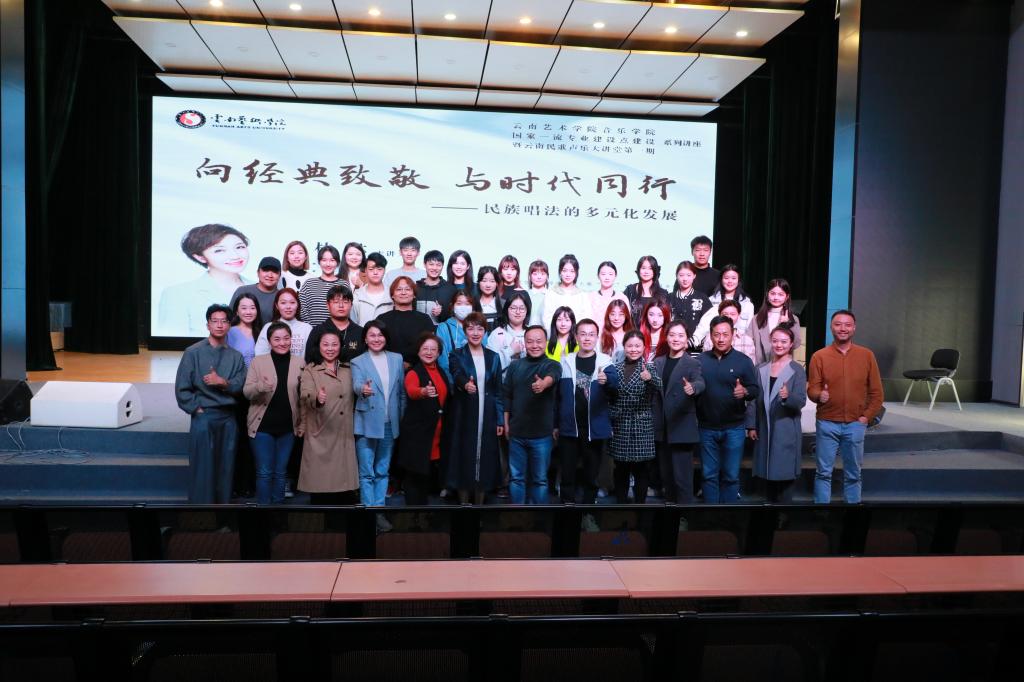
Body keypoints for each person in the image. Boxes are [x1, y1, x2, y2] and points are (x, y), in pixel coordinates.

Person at [807, 310, 884, 504]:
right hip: (827, 423)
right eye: (838, 324)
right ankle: (821, 514)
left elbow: (877, 393)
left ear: (854, 328)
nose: (843, 328)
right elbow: (812, 389)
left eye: (847, 325)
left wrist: (865, 418)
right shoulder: (819, 356)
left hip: (855, 424)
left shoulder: (866, 355)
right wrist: (818, 395)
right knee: (823, 473)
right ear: (831, 327)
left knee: (853, 474)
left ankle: (852, 514)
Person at [174, 304, 247, 503]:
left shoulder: (236, 356)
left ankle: (222, 513)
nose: (219, 325)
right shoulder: (193, 352)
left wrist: (223, 382)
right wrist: (196, 408)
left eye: (224, 321)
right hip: (204, 416)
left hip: (228, 418)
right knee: (202, 468)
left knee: (226, 468)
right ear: (208, 325)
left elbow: (241, 386)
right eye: (215, 321)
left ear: (229, 325)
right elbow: (182, 388)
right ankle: (200, 514)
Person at [696, 315, 759, 503]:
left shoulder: (743, 361)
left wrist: (745, 391)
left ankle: (728, 515)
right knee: (708, 475)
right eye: (717, 334)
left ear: (733, 334)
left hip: (734, 428)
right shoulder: (700, 361)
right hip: (706, 428)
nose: (721, 339)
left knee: (731, 476)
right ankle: (710, 516)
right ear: (710, 336)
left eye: (725, 334)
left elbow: (755, 389)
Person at [555, 318, 619, 504]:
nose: (587, 338)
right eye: (583, 334)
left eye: (591, 334)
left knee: (591, 475)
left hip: (594, 429)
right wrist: (555, 424)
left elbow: (615, 388)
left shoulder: (605, 362)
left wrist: (606, 381)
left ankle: (589, 511)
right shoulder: (565, 361)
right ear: (576, 336)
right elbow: (557, 398)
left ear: (597, 337)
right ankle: (567, 509)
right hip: (569, 428)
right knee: (567, 474)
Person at [447, 312, 505, 504]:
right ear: (465, 331)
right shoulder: (456, 354)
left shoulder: (493, 357)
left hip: (487, 414)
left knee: (484, 456)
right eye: (470, 328)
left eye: (480, 328)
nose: (475, 332)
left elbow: (498, 391)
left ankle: (479, 507)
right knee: (465, 456)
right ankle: (464, 507)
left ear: (485, 332)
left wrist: (499, 419)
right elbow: (456, 373)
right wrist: (465, 384)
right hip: (465, 413)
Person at [243, 321, 303, 505]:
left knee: (281, 472)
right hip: (262, 427)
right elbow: (247, 392)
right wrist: (261, 386)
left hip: (288, 427)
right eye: (277, 339)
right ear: (269, 342)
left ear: (291, 340)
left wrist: (302, 423)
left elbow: (303, 397)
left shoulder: (300, 362)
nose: (282, 343)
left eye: (286, 338)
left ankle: (278, 512)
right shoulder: (258, 362)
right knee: (264, 472)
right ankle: (263, 513)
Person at [746, 326, 808, 503]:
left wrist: (788, 397)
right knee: (766, 472)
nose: (779, 345)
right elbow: (753, 399)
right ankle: (770, 513)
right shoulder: (761, 368)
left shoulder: (797, 370)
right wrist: (751, 425)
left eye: (783, 341)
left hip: (785, 427)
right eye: (775, 341)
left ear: (791, 344)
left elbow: (801, 401)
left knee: (784, 473)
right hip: (764, 427)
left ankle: (784, 514)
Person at [351, 321, 406, 513]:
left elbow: (401, 393)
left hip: (390, 423)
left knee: (383, 471)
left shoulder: (397, 359)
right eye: (372, 335)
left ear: (386, 338)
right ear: (365, 339)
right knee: (367, 473)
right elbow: (357, 384)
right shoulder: (358, 361)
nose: (376, 339)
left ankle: (379, 511)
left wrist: (401, 418)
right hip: (367, 422)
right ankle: (368, 514)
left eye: (380, 335)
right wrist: (363, 390)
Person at [298, 330, 359, 505]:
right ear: (318, 347)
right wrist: (317, 398)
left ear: (341, 346)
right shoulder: (311, 369)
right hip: (321, 430)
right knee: (321, 486)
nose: (330, 348)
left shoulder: (349, 368)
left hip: (344, 432)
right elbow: (305, 394)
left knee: (344, 487)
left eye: (334, 344)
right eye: (325, 344)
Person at [503, 325, 561, 504]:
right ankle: (518, 517)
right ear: (524, 343)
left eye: (539, 341)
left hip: (542, 435)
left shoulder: (552, 364)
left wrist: (543, 384)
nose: (535, 345)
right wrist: (506, 424)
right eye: (530, 341)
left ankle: (539, 518)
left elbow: (553, 376)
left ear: (546, 343)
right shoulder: (515, 366)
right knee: (516, 479)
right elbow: (507, 396)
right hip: (517, 433)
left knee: (540, 480)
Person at [158, 224, 251, 336]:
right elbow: (171, 340)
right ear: (200, 257)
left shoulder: (259, 288)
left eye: (239, 247)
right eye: (219, 250)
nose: (235, 256)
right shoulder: (177, 294)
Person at [652, 321, 704, 503]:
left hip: (681, 426)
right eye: (672, 335)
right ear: (666, 338)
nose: (676, 339)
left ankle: (684, 515)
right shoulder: (658, 362)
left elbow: (700, 382)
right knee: (666, 478)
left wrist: (693, 388)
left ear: (687, 339)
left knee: (682, 479)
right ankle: (670, 515)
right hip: (662, 427)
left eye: (681, 335)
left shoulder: (693, 363)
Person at [608, 331, 662, 503]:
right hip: (620, 424)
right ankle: (621, 506)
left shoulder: (649, 367)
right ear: (624, 347)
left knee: (641, 470)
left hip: (641, 425)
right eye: (630, 346)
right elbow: (609, 395)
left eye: (637, 346)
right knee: (621, 469)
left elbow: (661, 386)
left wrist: (650, 378)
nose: (633, 349)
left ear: (644, 347)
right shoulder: (615, 368)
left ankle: (640, 507)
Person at [398, 333, 450, 505]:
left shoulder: (440, 371)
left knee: (427, 478)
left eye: (433, 349)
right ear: (418, 351)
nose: (429, 352)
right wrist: (423, 392)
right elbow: (412, 390)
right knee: (415, 478)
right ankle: (414, 515)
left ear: (439, 353)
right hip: (417, 435)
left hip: (435, 434)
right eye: (425, 348)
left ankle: (425, 514)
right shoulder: (413, 372)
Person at [378, 277, 435, 368]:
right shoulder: (382, 319)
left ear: (414, 294)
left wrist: (411, 365)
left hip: (419, 369)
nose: (403, 292)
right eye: (399, 289)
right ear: (392, 295)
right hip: (387, 368)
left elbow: (430, 348)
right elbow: (377, 345)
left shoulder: (424, 319)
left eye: (407, 289)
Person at [305, 284, 366, 366]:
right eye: (336, 302)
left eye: (345, 302)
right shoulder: (318, 331)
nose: (341, 305)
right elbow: (309, 360)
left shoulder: (360, 332)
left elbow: (365, 362)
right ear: (328, 305)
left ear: (351, 305)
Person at [748, 278, 802, 365]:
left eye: (780, 294)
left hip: (783, 366)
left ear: (787, 297)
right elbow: (749, 343)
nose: (776, 297)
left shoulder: (793, 318)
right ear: (767, 294)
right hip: (760, 366)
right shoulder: (756, 318)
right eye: (772, 293)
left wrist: (787, 325)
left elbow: (796, 344)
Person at [253, 288, 312, 358]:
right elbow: (260, 354)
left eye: (292, 302)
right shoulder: (268, 327)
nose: (288, 307)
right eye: (283, 303)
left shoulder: (306, 328)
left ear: (298, 305)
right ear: (277, 306)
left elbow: (311, 356)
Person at [299, 245, 349, 326]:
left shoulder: (344, 284)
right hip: (311, 331)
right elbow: (302, 310)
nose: (328, 264)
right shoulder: (309, 284)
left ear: (337, 263)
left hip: (337, 332)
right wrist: (310, 330)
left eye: (332, 260)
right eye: (324, 260)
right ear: (319, 262)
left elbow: (347, 310)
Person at [436, 291, 481, 379]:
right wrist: (451, 382)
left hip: (478, 378)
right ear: (453, 306)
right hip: (453, 379)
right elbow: (443, 360)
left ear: (472, 307)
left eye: (467, 304)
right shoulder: (444, 328)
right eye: (459, 304)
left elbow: (485, 354)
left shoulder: (480, 327)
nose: (463, 307)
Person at [668, 261, 713, 350]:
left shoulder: (702, 298)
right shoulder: (669, 298)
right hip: (671, 347)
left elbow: (706, 324)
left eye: (689, 275)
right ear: (676, 276)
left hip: (695, 349)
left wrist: (691, 342)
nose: (685, 279)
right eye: (681, 275)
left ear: (694, 276)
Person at [543, 254, 592, 328]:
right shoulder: (551, 293)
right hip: (555, 334)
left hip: (576, 334)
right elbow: (547, 319)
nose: (568, 274)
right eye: (564, 271)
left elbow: (586, 319)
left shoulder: (582, 295)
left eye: (572, 271)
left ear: (576, 273)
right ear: (560, 272)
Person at [487, 291, 531, 372]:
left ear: (526, 311)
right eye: (513, 308)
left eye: (522, 308)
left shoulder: (532, 333)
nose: (518, 312)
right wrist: (510, 350)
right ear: (506, 310)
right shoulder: (496, 334)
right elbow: (489, 366)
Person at [707, 264, 755, 336]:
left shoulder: (747, 304)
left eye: (733, 278)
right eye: (726, 278)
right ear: (721, 279)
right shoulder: (711, 301)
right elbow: (706, 327)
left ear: (738, 280)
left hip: (740, 341)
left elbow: (750, 331)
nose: (730, 281)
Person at [623, 255, 669, 327]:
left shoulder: (663, 294)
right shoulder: (630, 291)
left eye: (650, 268)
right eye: (643, 268)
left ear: (655, 271)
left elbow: (666, 318)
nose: (646, 272)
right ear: (638, 270)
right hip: (632, 332)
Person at [415, 249, 456, 325]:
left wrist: (442, 312)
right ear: (424, 264)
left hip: (440, 331)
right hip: (417, 330)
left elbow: (454, 317)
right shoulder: (416, 288)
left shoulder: (450, 289)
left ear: (442, 266)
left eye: (438, 265)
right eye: (431, 264)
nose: (434, 268)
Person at [352, 252, 394, 324]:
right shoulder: (357, 295)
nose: (375, 272)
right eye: (371, 269)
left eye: (379, 269)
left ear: (384, 270)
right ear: (365, 271)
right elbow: (353, 323)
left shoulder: (392, 294)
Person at [588, 261, 630, 331]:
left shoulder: (622, 298)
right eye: (603, 274)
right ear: (598, 276)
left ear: (615, 276)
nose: (607, 278)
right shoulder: (591, 297)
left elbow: (626, 321)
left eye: (610, 274)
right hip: (595, 336)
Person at [227, 293, 263, 368]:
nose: (248, 312)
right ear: (237, 311)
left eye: (252, 308)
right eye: (244, 308)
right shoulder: (229, 332)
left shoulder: (262, 332)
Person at [476, 266, 502, 330]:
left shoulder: (503, 304)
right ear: (479, 283)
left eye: (492, 281)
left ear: (497, 284)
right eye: (484, 281)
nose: (488, 285)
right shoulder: (472, 304)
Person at [526, 260, 549, 327]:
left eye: (542, 274)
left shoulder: (551, 295)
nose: (539, 277)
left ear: (547, 276)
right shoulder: (525, 295)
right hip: (527, 330)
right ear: (530, 276)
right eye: (535, 274)